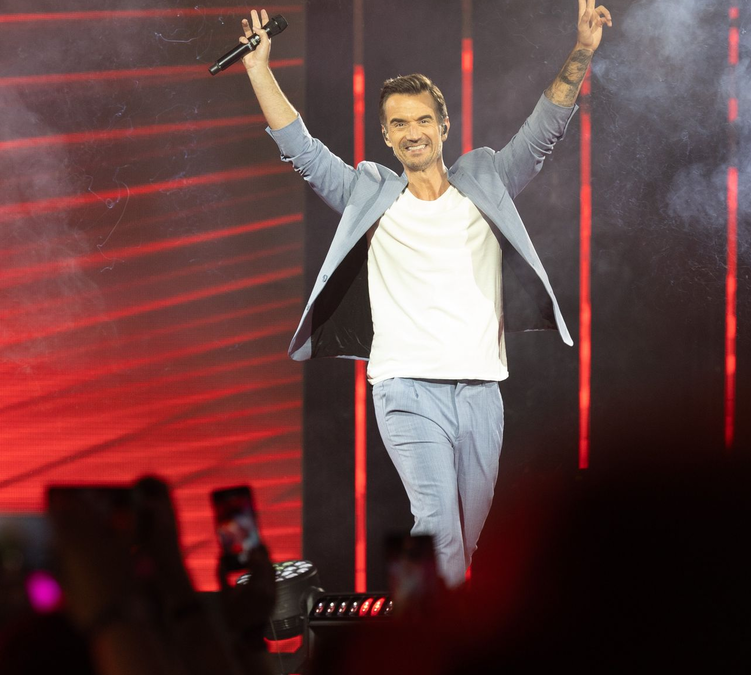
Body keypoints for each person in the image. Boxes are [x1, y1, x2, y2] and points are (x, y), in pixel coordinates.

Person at [239, 0, 613, 587]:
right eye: (398, 125)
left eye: (421, 121)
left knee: (471, 534)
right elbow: (303, 153)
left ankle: (422, 633)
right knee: (436, 524)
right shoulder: (369, 192)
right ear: (387, 137)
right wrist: (260, 68)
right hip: (405, 387)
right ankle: (430, 646)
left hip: (480, 388)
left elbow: (545, 131)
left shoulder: (486, 177)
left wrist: (582, 51)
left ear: (442, 126)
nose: (412, 133)